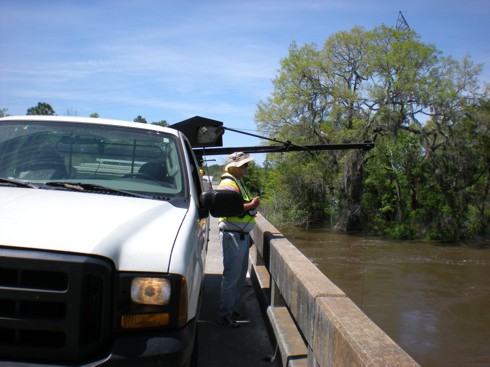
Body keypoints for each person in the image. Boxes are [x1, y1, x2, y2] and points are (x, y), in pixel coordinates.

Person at [217, 152, 260, 328]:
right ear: (235, 166)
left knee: (239, 277)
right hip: (232, 235)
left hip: (239, 234)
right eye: (244, 165)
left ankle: (231, 309)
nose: (247, 167)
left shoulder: (237, 182)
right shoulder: (228, 183)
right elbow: (227, 208)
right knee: (232, 277)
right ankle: (225, 314)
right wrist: (252, 205)